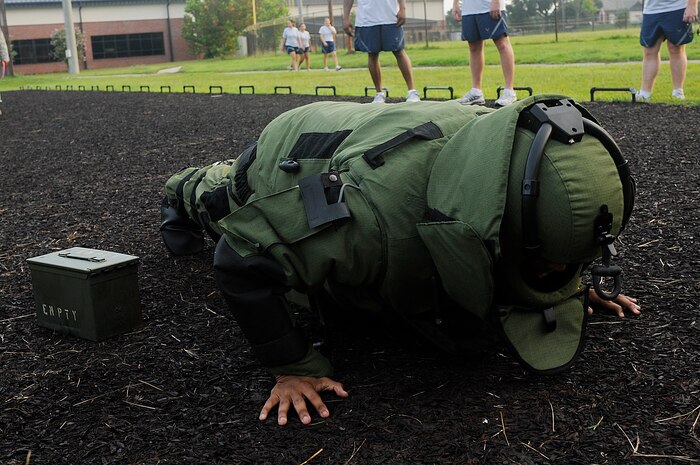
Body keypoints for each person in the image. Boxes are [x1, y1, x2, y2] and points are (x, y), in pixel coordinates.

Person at [160, 96, 640, 427]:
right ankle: (176, 189)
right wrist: (294, 367)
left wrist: (571, 276)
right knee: (216, 196)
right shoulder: (367, 217)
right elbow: (240, 257)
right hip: (293, 152)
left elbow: (540, 228)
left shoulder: (530, 153)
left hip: (377, 135)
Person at [343, 0, 420, 103]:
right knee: (372, 54)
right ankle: (379, 94)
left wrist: (403, 8)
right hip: (367, 19)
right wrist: (345, 18)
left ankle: (412, 92)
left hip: (390, 17)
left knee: (399, 51)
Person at [452, 0, 517, 106]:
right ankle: (476, 92)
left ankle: (509, 91)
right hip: (469, 9)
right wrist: (455, 3)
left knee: (502, 44)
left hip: (489, 5)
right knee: (473, 47)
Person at [635, 0, 697, 101]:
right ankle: (645, 94)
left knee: (675, 49)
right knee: (649, 51)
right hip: (651, 9)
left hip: (677, 7)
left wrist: (692, 5)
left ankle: (678, 92)